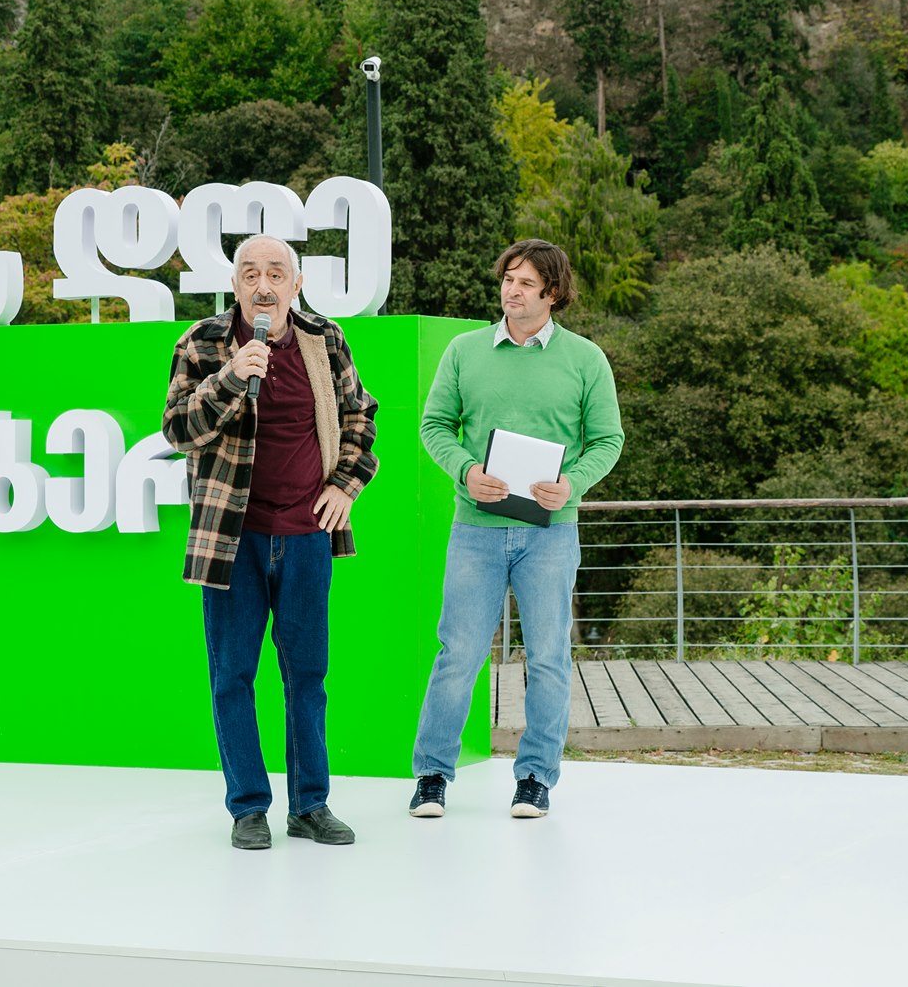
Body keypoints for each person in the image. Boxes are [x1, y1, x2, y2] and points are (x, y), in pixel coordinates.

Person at [163, 234, 379, 851]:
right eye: (251, 273)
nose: (264, 285)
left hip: (308, 535)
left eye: (276, 273)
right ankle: (248, 807)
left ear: (296, 284)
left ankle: (310, 805)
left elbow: (361, 416)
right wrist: (231, 378)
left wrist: (346, 484)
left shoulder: (325, 339)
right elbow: (178, 430)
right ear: (235, 285)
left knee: (307, 675)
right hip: (232, 539)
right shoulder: (202, 343)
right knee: (233, 675)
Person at [408, 239, 624, 821]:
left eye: (526, 283)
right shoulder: (464, 351)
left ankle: (534, 779)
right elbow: (434, 426)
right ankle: (431, 775)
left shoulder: (586, 359)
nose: (512, 290)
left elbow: (608, 440)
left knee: (549, 657)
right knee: (458, 654)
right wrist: (466, 471)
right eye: (508, 279)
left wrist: (572, 483)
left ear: (552, 293)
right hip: (475, 530)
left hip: (550, 534)